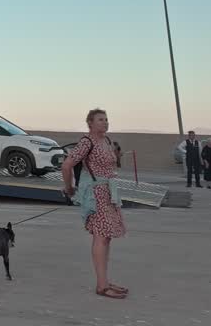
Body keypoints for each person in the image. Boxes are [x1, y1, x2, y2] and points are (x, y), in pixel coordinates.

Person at [61, 108, 128, 299]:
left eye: (106, 119)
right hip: (96, 194)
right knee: (100, 236)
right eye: (100, 120)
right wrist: (69, 188)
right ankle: (101, 286)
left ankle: (104, 280)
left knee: (106, 237)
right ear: (90, 123)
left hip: (109, 192)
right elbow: (66, 165)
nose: (105, 123)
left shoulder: (106, 140)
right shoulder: (87, 142)